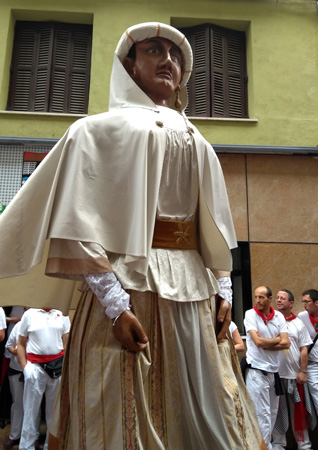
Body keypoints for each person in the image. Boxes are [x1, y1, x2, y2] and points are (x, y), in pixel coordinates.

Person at [0, 22, 264, 449]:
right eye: (154, 50)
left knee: (208, 404)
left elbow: (210, 224)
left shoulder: (197, 137)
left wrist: (223, 287)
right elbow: (77, 224)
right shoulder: (94, 130)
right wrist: (114, 304)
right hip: (124, 290)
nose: (169, 61)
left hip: (194, 292)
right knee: (120, 406)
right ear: (129, 66)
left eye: (177, 56)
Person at [17, 308, 70, 450]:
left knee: (54, 413)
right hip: (35, 368)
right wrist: (26, 368)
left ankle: (50, 446)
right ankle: (26, 447)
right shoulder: (29, 314)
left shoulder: (62, 314)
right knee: (30, 411)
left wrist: (64, 366)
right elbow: (20, 343)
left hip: (57, 368)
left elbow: (67, 342)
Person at [244, 285, 290, 450]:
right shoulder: (250, 314)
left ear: (270, 299)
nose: (258, 300)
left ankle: (266, 445)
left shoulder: (278, 316)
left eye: (262, 297)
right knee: (261, 413)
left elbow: (287, 343)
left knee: (271, 412)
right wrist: (276, 340)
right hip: (257, 370)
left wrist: (268, 343)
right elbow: (258, 342)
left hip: (273, 371)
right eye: (256, 297)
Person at [272, 289, 313, 450]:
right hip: (275, 375)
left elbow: (304, 349)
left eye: (283, 298)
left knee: (299, 411)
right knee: (277, 412)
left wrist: (303, 371)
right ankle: (278, 444)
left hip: (295, 376)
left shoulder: (298, 323)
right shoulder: (272, 321)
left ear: (291, 303)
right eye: (277, 298)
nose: (279, 300)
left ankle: (304, 444)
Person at [4, 317, 41, 450]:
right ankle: (15, 435)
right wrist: (17, 352)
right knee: (17, 404)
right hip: (17, 369)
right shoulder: (19, 325)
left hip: (36, 370)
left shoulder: (42, 323)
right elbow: (9, 345)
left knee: (33, 404)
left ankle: (34, 436)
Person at [298, 289, 318, 415]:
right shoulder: (302, 317)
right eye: (303, 301)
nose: (304, 305)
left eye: (307, 302)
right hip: (312, 365)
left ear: (316, 303)